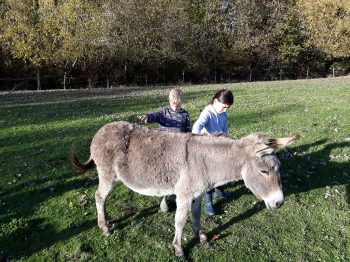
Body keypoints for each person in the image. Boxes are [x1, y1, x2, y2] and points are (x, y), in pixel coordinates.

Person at [137, 88, 191, 212]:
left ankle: (174, 195)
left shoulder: (185, 114)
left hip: (178, 149)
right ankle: (163, 197)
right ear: (169, 101)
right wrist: (147, 117)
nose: (175, 108)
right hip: (164, 149)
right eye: (173, 105)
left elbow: (188, 131)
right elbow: (154, 116)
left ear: (182, 103)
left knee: (177, 173)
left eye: (178, 106)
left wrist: (187, 143)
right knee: (164, 173)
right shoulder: (164, 112)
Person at [192, 89, 234, 215]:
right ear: (216, 101)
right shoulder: (207, 112)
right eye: (224, 107)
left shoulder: (224, 114)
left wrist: (226, 141)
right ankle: (208, 202)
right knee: (209, 176)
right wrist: (200, 140)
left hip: (220, 147)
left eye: (227, 108)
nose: (225, 110)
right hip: (208, 150)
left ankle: (220, 190)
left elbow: (224, 130)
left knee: (222, 171)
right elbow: (197, 127)